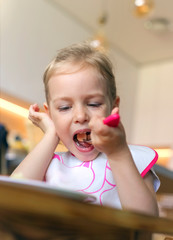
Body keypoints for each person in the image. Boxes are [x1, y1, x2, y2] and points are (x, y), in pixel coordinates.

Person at [12, 42, 160, 216]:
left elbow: (147, 221)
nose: (81, 116)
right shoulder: (48, 165)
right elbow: (12, 197)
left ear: (114, 106)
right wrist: (51, 135)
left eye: (93, 104)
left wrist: (118, 154)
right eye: (65, 107)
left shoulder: (132, 159)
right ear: (50, 115)